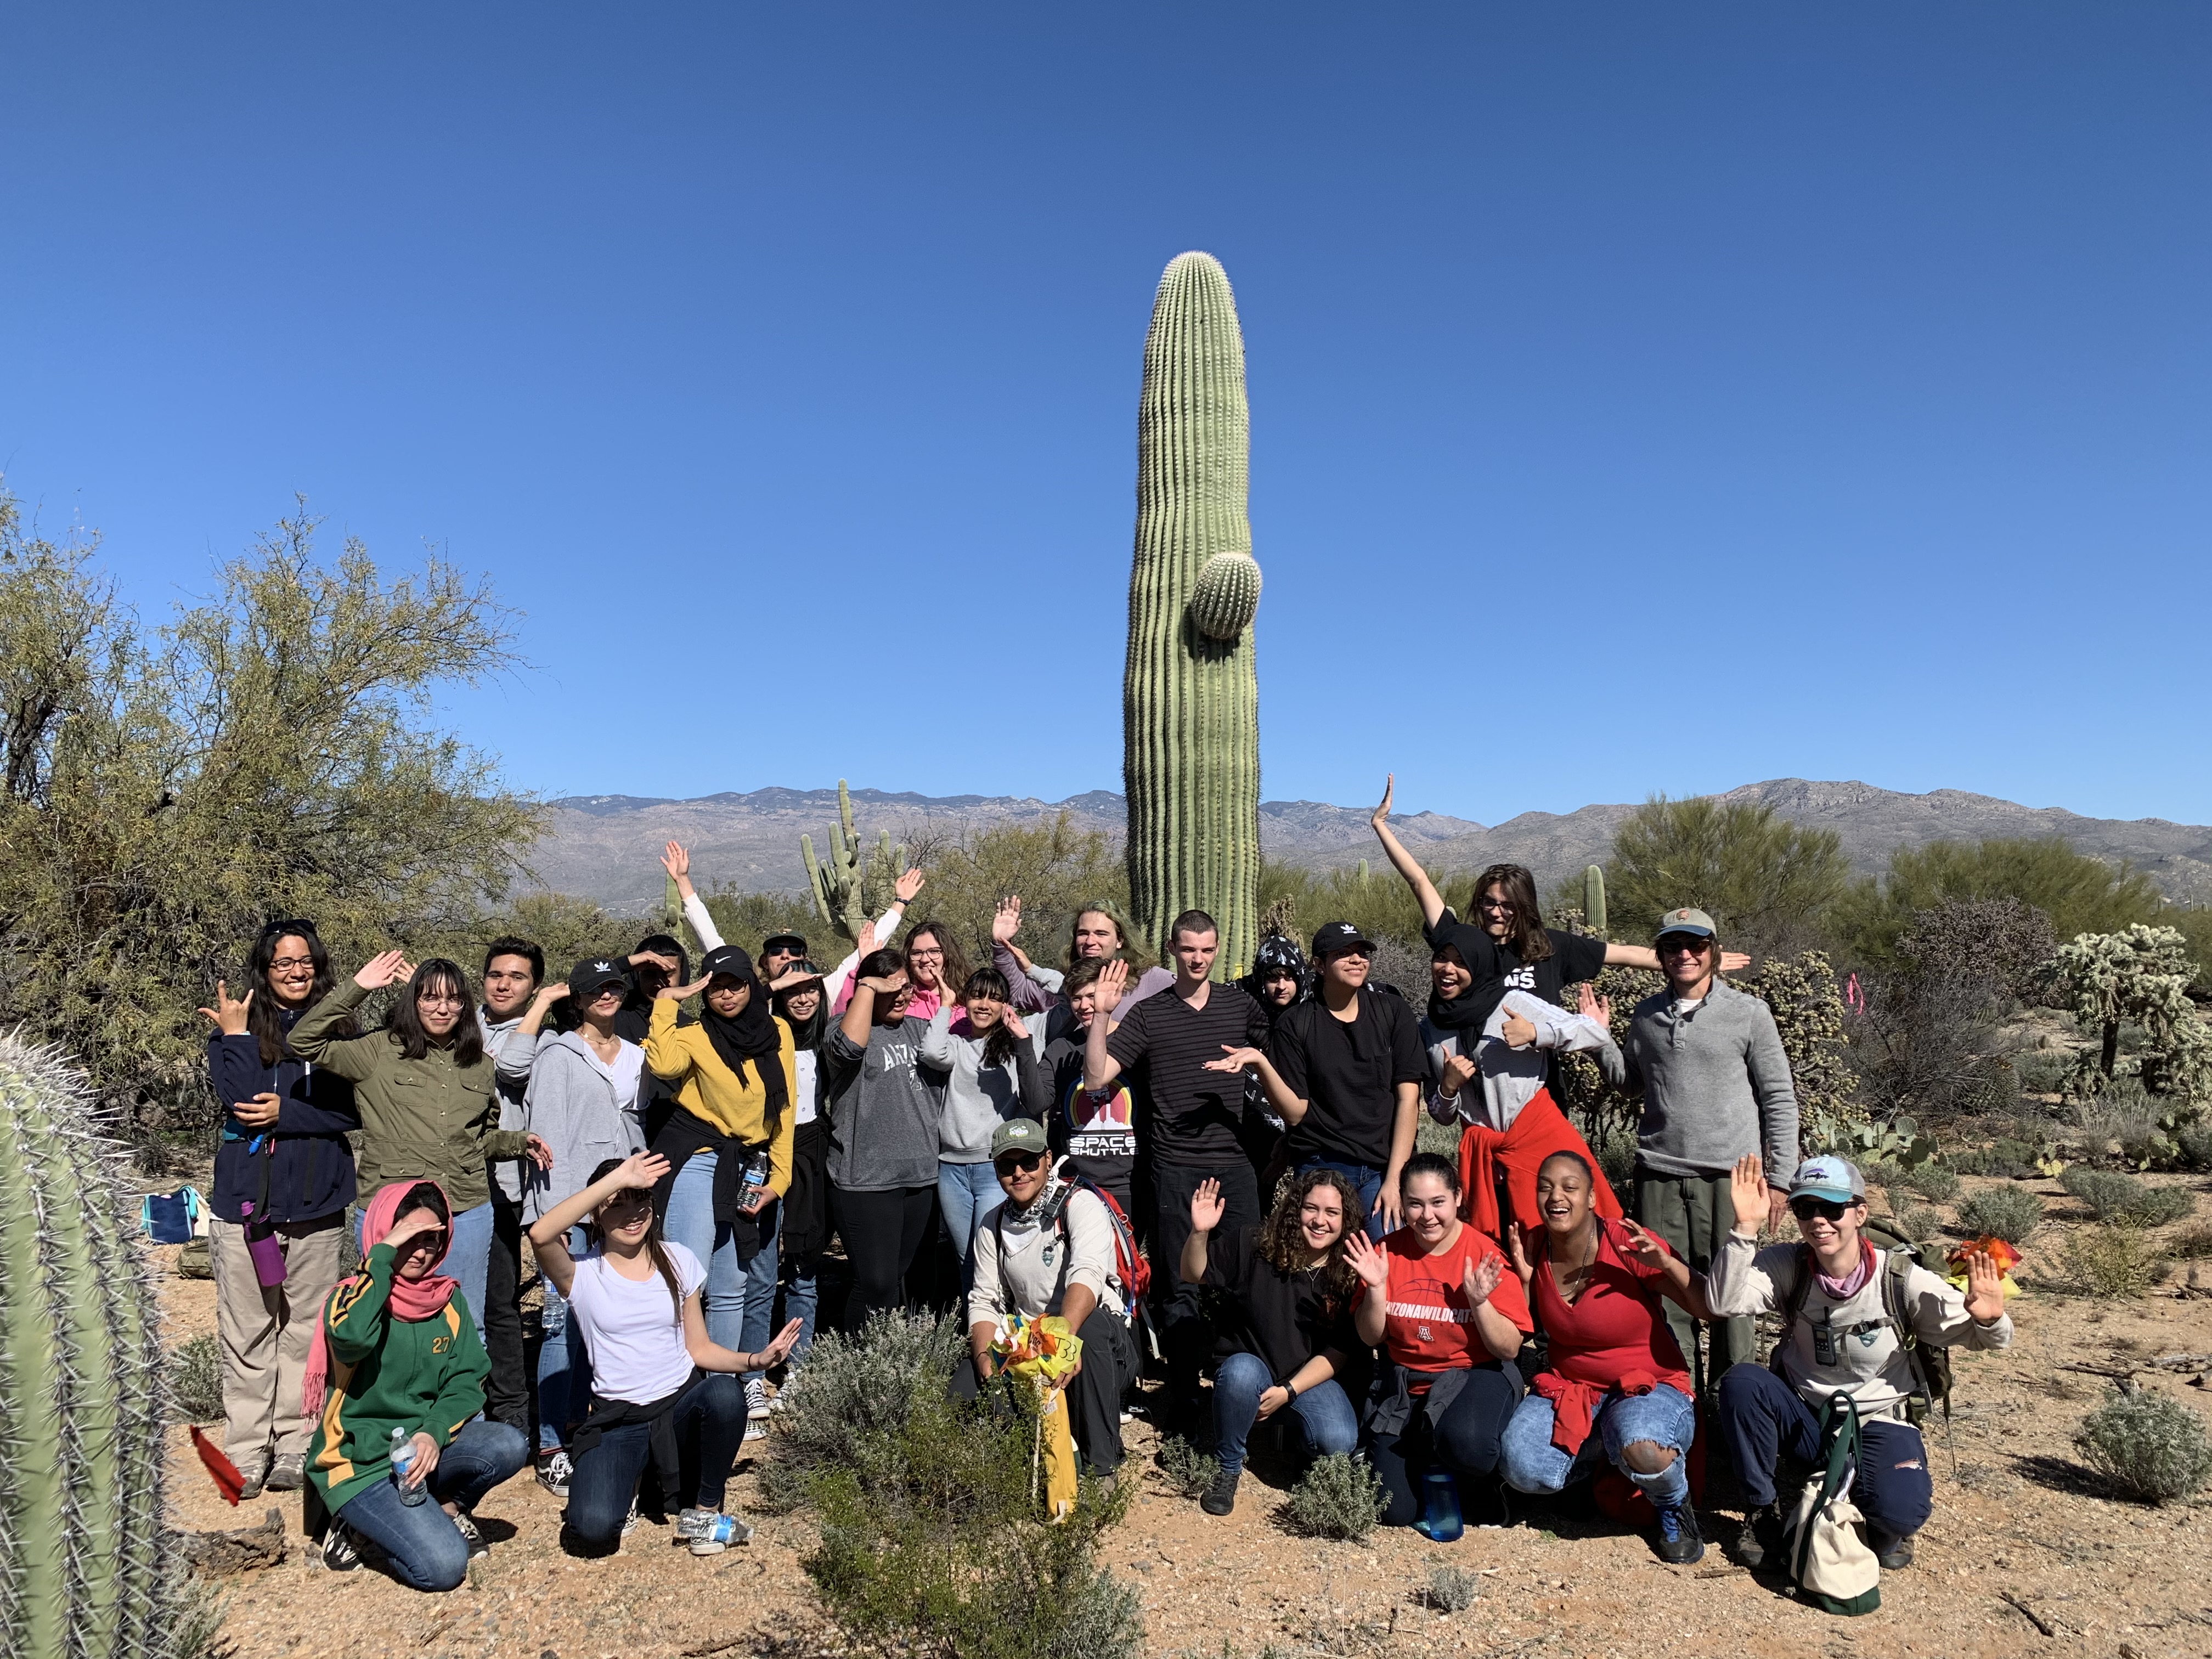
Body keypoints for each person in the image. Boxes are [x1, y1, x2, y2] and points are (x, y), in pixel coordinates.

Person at [1709, 1154, 2011, 1572]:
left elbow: (1989, 1339)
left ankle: (1863, 1494)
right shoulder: (1787, 1266)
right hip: (1806, 1417)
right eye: (1805, 1209)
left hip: (1876, 1421)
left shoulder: (1900, 1279)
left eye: (1833, 1209)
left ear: (1860, 1213)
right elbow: (1723, 1302)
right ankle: (1762, 1510)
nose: (1819, 1221)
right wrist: (1744, 1228)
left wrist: (1992, 1317)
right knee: (1743, 1382)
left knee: (1897, 1519)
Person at [529, 1153, 803, 1555]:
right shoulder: (581, 1274)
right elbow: (540, 1235)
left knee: (725, 1395)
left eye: (640, 1199)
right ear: (596, 1216)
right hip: (618, 1419)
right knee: (591, 1531)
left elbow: (700, 1348)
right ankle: (638, 1482)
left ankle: (704, 1517)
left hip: (678, 1408)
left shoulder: (677, 1260)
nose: (632, 1214)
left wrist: (755, 1362)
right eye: (616, 1205)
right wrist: (617, 1179)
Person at [291, 951, 552, 1338]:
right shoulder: (377, 1051)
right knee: (387, 1324)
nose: (442, 1008)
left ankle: (464, 1401)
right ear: (413, 1002)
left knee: (466, 1326)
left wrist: (518, 1142)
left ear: (465, 1005)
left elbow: (478, 1140)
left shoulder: (479, 1064)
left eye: (452, 999)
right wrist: (358, 988)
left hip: (464, 1210)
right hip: (393, 1209)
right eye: (430, 997)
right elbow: (303, 1040)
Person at [1596, 906, 1800, 1397]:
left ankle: (1735, 1404)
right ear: (1661, 954)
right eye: (1672, 947)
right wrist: (1598, 1038)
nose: (1684, 955)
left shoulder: (1749, 1013)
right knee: (1666, 1294)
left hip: (1733, 1178)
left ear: (1714, 951)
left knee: (1731, 1299)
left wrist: (1780, 1180)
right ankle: (1679, 1404)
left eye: (1696, 946)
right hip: (1659, 1173)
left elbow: (1778, 1095)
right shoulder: (1646, 1016)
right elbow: (1629, 1084)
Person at [1085, 912, 1273, 1419]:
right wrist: (1103, 1014)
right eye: (1189, 949)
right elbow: (1098, 1075)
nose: (1198, 958)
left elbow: (1277, 1054)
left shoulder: (1242, 1007)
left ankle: (1243, 1394)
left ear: (1217, 950)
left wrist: (1255, 1059)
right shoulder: (1148, 1014)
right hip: (1174, 1169)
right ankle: (1186, 1398)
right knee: (1178, 1289)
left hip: (1235, 1167)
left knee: (1247, 1279)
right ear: (1172, 949)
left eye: (1207, 950)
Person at [196, 920, 360, 1499]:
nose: (296, 972)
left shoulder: (341, 1031)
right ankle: (245, 1448)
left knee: (305, 1331)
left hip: (316, 1205)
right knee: (247, 1330)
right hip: (246, 1206)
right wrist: (238, 1038)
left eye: (304, 962)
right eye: (282, 963)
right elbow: (239, 1102)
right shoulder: (234, 1031)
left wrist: (286, 1116)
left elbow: (352, 1113)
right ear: (264, 972)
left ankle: (296, 1443)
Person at [304, 1180, 531, 1589]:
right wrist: (381, 1260)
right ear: (384, 1234)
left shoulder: (446, 1299)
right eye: (408, 1237)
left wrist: (432, 1432)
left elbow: (466, 1379)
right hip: (361, 1464)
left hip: (418, 1452)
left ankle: (441, 1507)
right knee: (444, 1567)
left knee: (509, 1444)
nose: (422, 1251)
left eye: (432, 1239)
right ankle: (355, 1525)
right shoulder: (350, 1298)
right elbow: (352, 1340)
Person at [1497, 1151, 1711, 1562]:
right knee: (1521, 1464)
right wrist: (1525, 1280)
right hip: (1574, 1390)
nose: (1556, 1196)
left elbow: (1705, 1306)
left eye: (1569, 1187)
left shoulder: (1627, 1243)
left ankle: (1674, 1506)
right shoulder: (1535, 1246)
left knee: (1644, 1448)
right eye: (1545, 1187)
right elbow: (1521, 1325)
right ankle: (1591, 1471)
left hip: (1649, 1386)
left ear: (1593, 1198)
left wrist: (1667, 1263)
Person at [642, 943, 797, 1435]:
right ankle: (674, 1393)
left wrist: (780, 1178)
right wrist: (670, 999)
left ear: (751, 985)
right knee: (691, 1280)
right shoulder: (693, 1034)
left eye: (735, 984)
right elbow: (664, 1067)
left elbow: (785, 1112)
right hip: (699, 1158)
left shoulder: (778, 1032)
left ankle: (721, 1396)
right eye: (715, 988)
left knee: (733, 1285)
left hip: (748, 1164)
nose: (726, 995)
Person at [1345, 1153, 1533, 1529]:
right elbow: (1370, 1337)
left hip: (1474, 1374)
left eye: (1437, 1203)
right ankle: (1427, 1454)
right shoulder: (1386, 1254)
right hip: (1408, 1382)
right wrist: (1377, 1290)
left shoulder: (1484, 1254)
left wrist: (1479, 1302)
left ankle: (1482, 1481)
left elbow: (1509, 1349)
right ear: (1402, 1202)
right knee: (1393, 1511)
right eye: (1415, 1204)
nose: (1427, 1215)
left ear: (1458, 1198)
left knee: (1467, 1443)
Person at [520, 956, 647, 1493]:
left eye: (615, 985)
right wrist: (557, 1218)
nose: (607, 995)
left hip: (621, 1210)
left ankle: (583, 1422)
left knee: (601, 1320)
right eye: (596, 988)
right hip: (572, 1206)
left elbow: (636, 1130)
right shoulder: (558, 1055)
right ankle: (550, 1443)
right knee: (559, 1325)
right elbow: (549, 1139)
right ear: (578, 997)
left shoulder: (638, 1056)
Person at [956, 1119, 1137, 1483]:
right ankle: (1005, 1470)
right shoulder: (992, 1225)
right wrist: (983, 1360)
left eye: (1029, 1162)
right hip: (1032, 1342)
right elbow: (985, 1300)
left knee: (1094, 1330)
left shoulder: (1081, 1204)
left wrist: (1063, 1342)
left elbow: (1087, 1274)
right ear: (996, 1169)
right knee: (964, 1386)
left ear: (1048, 1159)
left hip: (1091, 1338)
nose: (1019, 1173)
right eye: (1008, 1165)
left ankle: (1101, 1468)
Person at [1177, 1167, 1366, 1515]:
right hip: (1253, 1367)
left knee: (1338, 1440)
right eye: (1311, 1208)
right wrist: (1199, 1234)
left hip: (1308, 1380)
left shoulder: (1349, 1271)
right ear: (1296, 1209)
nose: (1320, 1221)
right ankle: (1228, 1467)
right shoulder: (1256, 1245)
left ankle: (1300, 1451)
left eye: (1332, 1213)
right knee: (1239, 1376)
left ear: (1346, 1219)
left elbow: (1340, 1351)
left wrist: (1288, 1392)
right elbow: (1193, 1273)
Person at [1219, 922, 1423, 1242]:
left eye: (1361, 953)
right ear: (1319, 965)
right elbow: (1296, 1112)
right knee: (1316, 1270)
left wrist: (1395, 1178)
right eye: (1343, 954)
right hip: (1320, 1165)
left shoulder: (1392, 1012)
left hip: (1382, 1167)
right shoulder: (1296, 1024)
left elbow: (1409, 1099)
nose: (1357, 960)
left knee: (1385, 1264)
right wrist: (1260, 1063)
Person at [823, 946, 947, 1331]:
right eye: (887, 989)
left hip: (920, 1175)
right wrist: (866, 987)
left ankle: (896, 1367)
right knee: (874, 1283)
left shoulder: (918, 1029)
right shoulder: (839, 1028)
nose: (900, 997)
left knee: (898, 1277)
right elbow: (850, 1049)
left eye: (905, 988)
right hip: (865, 1179)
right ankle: (861, 1369)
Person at [663, 839, 922, 1014]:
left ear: (805, 959)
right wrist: (684, 883)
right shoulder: (749, 993)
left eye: (795, 951)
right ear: (765, 961)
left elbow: (871, 942)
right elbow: (712, 942)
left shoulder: (823, 991)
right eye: (777, 950)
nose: (786, 955)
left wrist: (900, 902)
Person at [478, 935, 563, 1436]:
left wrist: (545, 1008)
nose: (504, 984)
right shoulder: (464, 1026)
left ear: (534, 987)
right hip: (453, 1180)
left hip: (506, 1185)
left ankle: (511, 1409)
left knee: (500, 1303)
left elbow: (513, 1066)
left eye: (518, 977)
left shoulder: (543, 1039)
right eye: (496, 975)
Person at [922, 967, 1051, 1268]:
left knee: (990, 1255)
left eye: (995, 999)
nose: (984, 1005)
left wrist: (1030, 969)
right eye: (977, 996)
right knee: (965, 1257)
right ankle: (973, 1316)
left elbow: (1066, 997)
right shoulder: (956, 1045)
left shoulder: (1024, 1035)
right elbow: (930, 1052)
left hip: (997, 1168)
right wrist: (944, 1004)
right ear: (965, 1001)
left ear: (1006, 1004)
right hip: (951, 1170)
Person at [766, 958, 831, 1385]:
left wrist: (897, 909)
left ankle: (799, 1368)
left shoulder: (831, 1036)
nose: (803, 998)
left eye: (810, 989)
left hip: (813, 1147)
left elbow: (850, 973)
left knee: (804, 1265)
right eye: (792, 991)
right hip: (768, 1148)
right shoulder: (763, 1036)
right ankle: (747, 1369)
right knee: (756, 1264)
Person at [1039, 958, 1139, 1215]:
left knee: (1125, 1254)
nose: (1084, 1006)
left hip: (1130, 1184)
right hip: (1075, 1181)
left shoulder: (1136, 1040)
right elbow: (1037, 1102)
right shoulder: (1060, 1048)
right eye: (1076, 998)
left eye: (1092, 996)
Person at [991, 896, 1174, 1037]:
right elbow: (1017, 991)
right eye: (1083, 933)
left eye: (1101, 934)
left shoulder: (1150, 980)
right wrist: (1001, 944)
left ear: (1120, 940)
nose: (1090, 941)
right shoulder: (1063, 984)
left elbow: (1195, 1000)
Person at [1235, 933, 1309, 1189]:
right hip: (1252, 1136)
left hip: (1303, 1136)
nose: (1281, 986)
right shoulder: (1242, 1009)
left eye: (1289, 977)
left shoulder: (1312, 1016)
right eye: (1272, 978)